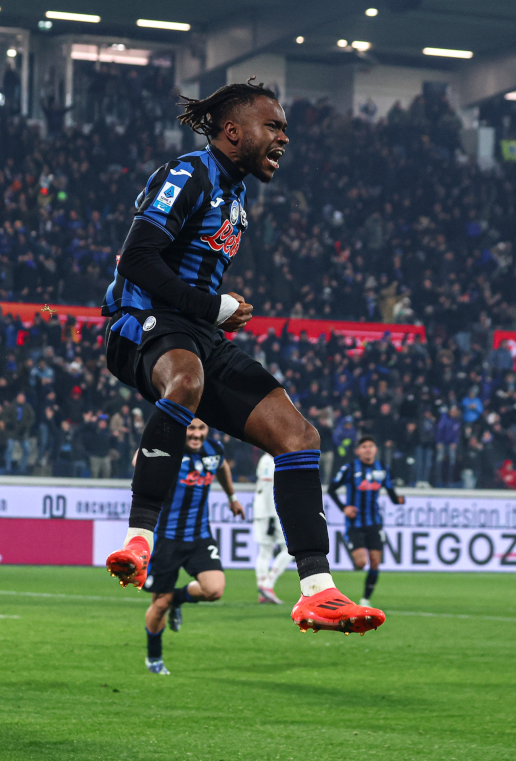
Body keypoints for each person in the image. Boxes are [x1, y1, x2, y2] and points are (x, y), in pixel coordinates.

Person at [101, 80, 384, 635]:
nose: (284, 136)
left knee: (299, 436)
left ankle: (317, 591)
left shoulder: (235, 191)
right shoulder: (189, 174)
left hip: (198, 331)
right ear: (233, 131)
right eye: (273, 126)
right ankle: (139, 538)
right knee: (184, 379)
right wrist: (214, 304)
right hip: (140, 323)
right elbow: (137, 258)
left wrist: (214, 313)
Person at [139, 419, 242, 675]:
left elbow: (222, 468)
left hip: (199, 536)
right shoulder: (168, 450)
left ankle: (176, 599)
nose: (196, 434)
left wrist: (232, 497)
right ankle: (154, 658)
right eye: (191, 429)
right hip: (166, 539)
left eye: (201, 429)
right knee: (158, 606)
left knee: (215, 589)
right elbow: (138, 463)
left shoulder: (214, 450)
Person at [328, 436, 404, 608]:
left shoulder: (383, 469)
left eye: (371, 446)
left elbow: (392, 494)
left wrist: (399, 499)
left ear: (376, 449)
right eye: (364, 446)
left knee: (376, 562)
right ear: (358, 451)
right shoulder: (350, 468)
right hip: (355, 523)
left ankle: (365, 600)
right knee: (361, 563)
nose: (368, 449)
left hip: (375, 523)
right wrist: (343, 508)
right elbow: (331, 489)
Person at [253, 452, 291, 604]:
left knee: (265, 551)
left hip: (264, 511)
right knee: (289, 549)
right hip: (270, 513)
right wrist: (271, 517)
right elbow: (268, 488)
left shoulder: (265, 459)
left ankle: (263, 590)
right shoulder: (270, 461)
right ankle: (268, 584)